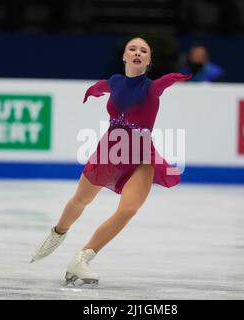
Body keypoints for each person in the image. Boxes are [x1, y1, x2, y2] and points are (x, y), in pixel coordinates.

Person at [30, 37, 191, 286]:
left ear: (148, 61)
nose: (138, 52)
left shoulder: (151, 88)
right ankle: (58, 232)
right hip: (111, 150)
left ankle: (82, 258)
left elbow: (159, 86)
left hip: (141, 155)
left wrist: (171, 78)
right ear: (124, 56)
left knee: (128, 209)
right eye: (132, 49)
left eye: (144, 51)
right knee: (81, 199)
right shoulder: (116, 81)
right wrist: (92, 91)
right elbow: (105, 86)